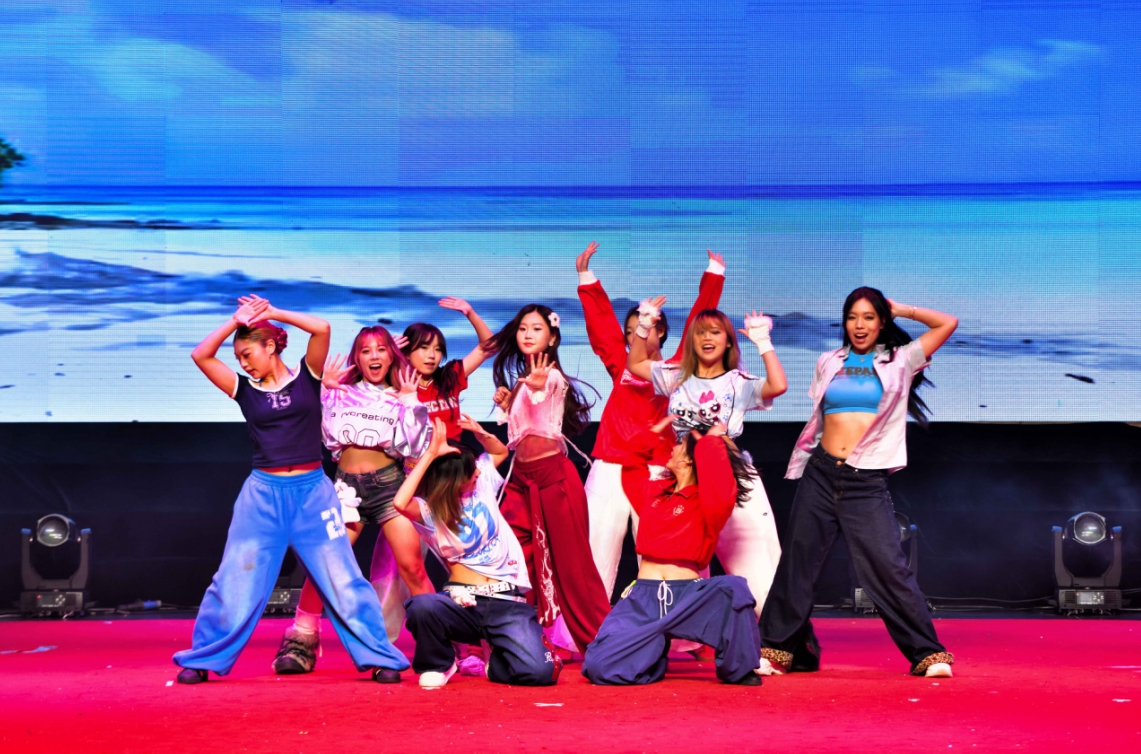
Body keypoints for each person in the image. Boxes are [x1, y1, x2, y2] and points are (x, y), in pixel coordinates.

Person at [173, 295, 408, 684]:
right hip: (262, 496)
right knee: (234, 578)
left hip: (312, 493)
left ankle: (380, 656)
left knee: (342, 578)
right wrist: (235, 322)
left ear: (270, 346)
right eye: (239, 357)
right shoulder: (243, 388)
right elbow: (201, 355)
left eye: (248, 354)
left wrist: (273, 313)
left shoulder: (308, 375)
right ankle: (203, 658)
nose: (243, 363)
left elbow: (322, 328)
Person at [759, 287, 958, 679]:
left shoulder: (900, 360)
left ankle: (928, 654)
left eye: (869, 317)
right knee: (798, 563)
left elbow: (947, 323)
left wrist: (901, 309)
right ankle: (778, 650)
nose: (860, 325)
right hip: (820, 472)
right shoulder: (828, 361)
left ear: (881, 322)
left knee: (887, 567)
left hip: (864, 480)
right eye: (853, 317)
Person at [270, 326, 434, 674]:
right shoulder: (339, 392)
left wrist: (410, 401)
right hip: (346, 490)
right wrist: (321, 387)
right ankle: (302, 641)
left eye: (381, 349)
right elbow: (297, 411)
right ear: (356, 358)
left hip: (390, 488)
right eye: (365, 350)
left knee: (413, 568)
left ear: (391, 355)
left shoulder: (402, 396)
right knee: (323, 566)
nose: (374, 356)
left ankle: (437, 644)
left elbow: (417, 446)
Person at [576, 241, 725, 598]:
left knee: (668, 552)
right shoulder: (621, 364)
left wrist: (714, 276)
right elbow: (601, 327)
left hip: (659, 468)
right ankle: (589, 626)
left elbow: (697, 324)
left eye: (647, 326)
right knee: (594, 553)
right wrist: (586, 277)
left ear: (661, 332)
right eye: (631, 331)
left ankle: (682, 623)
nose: (636, 335)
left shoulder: (677, 368)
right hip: (611, 465)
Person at [627, 301, 787, 615]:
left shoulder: (738, 382)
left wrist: (763, 342)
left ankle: (774, 634)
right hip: (685, 479)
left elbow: (778, 385)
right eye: (700, 332)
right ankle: (683, 632)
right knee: (681, 565)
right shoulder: (676, 376)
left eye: (715, 332)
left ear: (728, 341)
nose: (707, 338)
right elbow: (636, 364)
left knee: (757, 571)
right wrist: (644, 324)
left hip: (728, 475)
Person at [581, 421, 762, 686]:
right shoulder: (654, 492)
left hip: (689, 598)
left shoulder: (709, 501)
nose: (672, 447)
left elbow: (721, 483)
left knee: (734, 589)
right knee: (599, 666)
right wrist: (654, 430)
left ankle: (738, 670)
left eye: (679, 444)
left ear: (689, 459)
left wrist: (710, 441)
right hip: (643, 599)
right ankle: (654, 652)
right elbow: (631, 465)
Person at [396, 418, 563, 689]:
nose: (477, 472)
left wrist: (481, 433)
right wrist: (430, 454)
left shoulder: (482, 484)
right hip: (462, 602)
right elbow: (400, 503)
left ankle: (497, 659)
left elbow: (499, 451)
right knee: (422, 607)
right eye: (470, 471)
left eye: (475, 467)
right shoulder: (431, 511)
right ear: (453, 479)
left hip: (506, 601)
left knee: (540, 673)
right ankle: (440, 663)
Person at [483, 304, 612, 653]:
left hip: (554, 478)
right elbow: (527, 423)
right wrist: (511, 403)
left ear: (552, 338)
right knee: (513, 558)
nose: (527, 334)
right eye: (523, 328)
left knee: (573, 568)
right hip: (520, 481)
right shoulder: (523, 381)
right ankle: (519, 638)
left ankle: (603, 644)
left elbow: (547, 390)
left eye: (536, 329)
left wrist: (537, 388)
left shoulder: (550, 376)